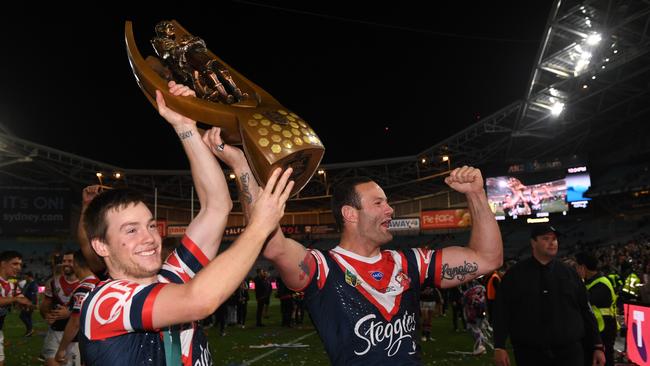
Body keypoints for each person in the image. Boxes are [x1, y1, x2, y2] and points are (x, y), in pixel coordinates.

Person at [206, 130, 502, 364]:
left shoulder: (411, 263)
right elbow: (273, 245)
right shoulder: (324, 269)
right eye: (379, 203)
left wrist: (476, 194)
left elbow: (487, 259)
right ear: (350, 214)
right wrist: (241, 164)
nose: (390, 210)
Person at [78, 81, 294, 365]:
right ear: (101, 246)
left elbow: (217, 207)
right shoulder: (105, 303)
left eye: (151, 225)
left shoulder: (170, 279)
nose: (149, 237)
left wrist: (185, 126)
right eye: (131, 230)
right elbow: (199, 300)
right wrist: (260, 227)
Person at [493, 225, 606, 366]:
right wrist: (499, 346)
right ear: (533, 243)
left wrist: (597, 345)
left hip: (569, 352)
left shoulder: (570, 274)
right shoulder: (515, 275)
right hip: (530, 353)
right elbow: (502, 312)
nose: (552, 242)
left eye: (554, 239)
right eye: (545, 239)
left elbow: (586, 310)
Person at [54, 250, 99, 366]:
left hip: (88, 343)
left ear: (76, 264)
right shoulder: (100, 283)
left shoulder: (83, 288)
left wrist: (61, 349)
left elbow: (75, 322)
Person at [575, 252, 618, 366]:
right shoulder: (589, 282)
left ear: (583, 267)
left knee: (604, 360)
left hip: (604, 330)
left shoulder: (601, 284)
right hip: (595, 331)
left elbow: (583, 301)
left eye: (577, 267)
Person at [40, 251, 79, 366]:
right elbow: (45, 305)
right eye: (64, 261)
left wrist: (70, 313)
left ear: (77, 263)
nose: (66, 264)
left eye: (70, 261)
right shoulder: (53, 282)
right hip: (55, 332)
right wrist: (47, 315)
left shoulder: (85, 283)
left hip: (76, 335)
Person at [0, 251, 34, 366]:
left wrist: (27, 305)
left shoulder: (12, 285)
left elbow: (23, 300)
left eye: (20, 265)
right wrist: (15, 300)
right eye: (15, 264)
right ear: (3, 264)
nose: (19, 268)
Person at [18, 271, 38, 337]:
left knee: (23, 316)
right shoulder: (28, 283)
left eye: (25, 276)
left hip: (29, 303)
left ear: (29, 276)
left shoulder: (33, 284)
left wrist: (32, 304)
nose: (24, 278)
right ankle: (29, 331)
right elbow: (24, 291)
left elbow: (34, 295)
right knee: (28, 316)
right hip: (26, 302)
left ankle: (30, 329)